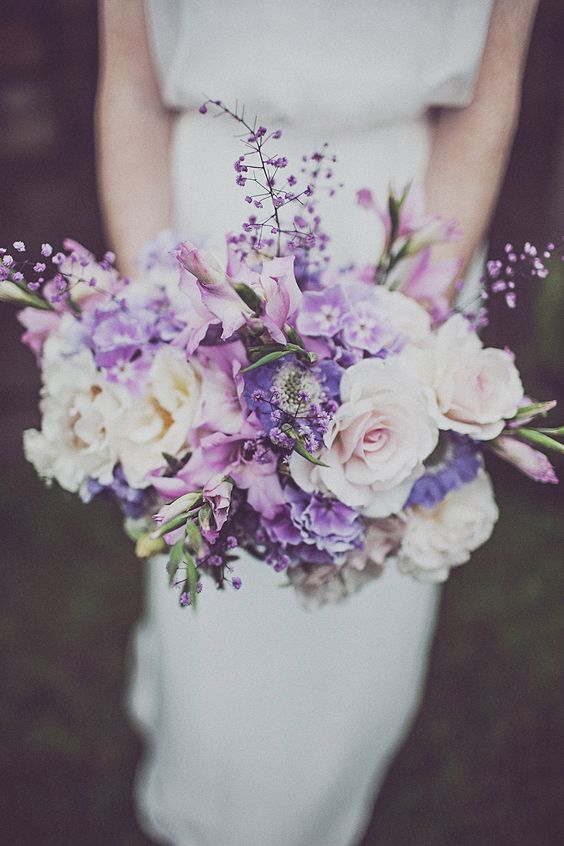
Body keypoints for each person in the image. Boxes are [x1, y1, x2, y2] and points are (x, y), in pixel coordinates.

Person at [96, 2, 539, 844]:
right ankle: (201, 768)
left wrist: (403, 344)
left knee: (359, 553)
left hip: (405, 225)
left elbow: (490, 84)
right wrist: (154, 319)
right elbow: (130, 86)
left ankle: (318, 790)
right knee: (207, 530)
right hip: (208, 223)